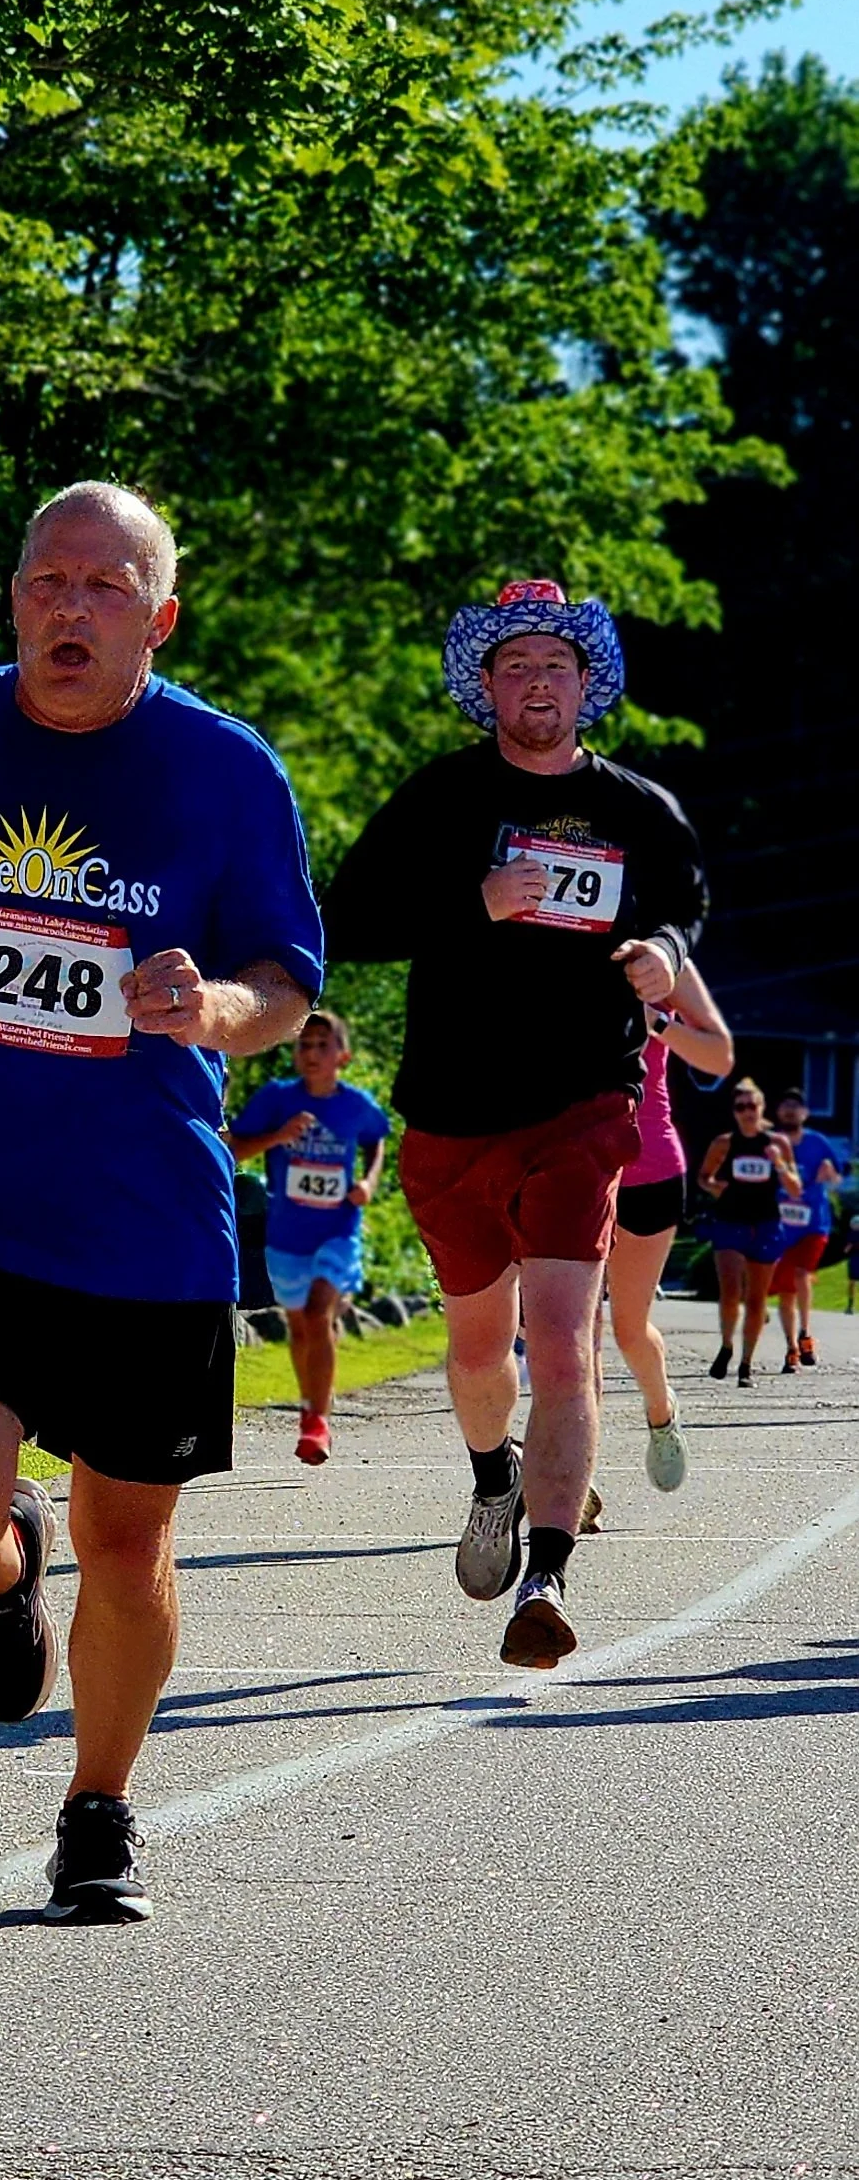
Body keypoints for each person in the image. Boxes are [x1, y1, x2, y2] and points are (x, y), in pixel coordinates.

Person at [0, 477, 322, 1922]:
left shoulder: (225, 768)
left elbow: (284, 985)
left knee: (131, 1543)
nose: (68, 609)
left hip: (146, 1222)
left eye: (104, 588)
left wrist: (212, 1008)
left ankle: (98, 1808)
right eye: (46, 581)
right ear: (15, 598)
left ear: (160, 617)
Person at [324, 577, 708, 1671]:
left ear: (588, 686)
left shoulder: (640, 809)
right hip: (453, 1111)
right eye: (516, 667)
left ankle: (544, 1576)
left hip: (585, 1103)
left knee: (564, 1339)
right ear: (484, 687)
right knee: (479, 1348)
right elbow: (344, 920)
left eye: (556, 666)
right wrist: (474, 904)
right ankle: (491, 1475)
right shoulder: (441, 796)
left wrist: (663, 952)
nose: (537, 683)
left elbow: (681, 904)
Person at [226, 1006, 387, 1465]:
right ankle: (312, 1402)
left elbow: (375, 1140)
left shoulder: (356, 1105)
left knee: (317, 1312)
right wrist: (278, 1136)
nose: (313, 1053)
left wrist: (368, 1182)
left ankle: (318, 1420)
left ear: (343, 1056)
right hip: (287, 1235)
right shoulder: (277, 1099)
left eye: (323, 1045)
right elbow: (235, 1148)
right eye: (305, 1045)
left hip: (337, 1232)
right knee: (300, 1325)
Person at [600, 955, 733, 1484]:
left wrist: (655, 1020)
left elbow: (719, 1057)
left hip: (648, 1167)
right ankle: (568, 1485)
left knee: (629, 1329)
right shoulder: (555, 935)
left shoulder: (660, 957)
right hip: (572, 1163)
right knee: (570, 1333)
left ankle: (662, 1413)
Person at [699, 1079, 799, 1387]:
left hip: (765, 1224)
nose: (747, 1112)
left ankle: (746, 1365)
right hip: (730, 1222)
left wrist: (778, 1163)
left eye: (751, 1106)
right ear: (734, 1111)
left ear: (761, 1108)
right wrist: (715, 1187)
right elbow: (704, 1176)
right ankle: (727, 1345)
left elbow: (795, 1189)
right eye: (740, 1107)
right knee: (730, 1293)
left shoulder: (777, 1143)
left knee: (756, 1300)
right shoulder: (724, 1143)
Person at [772, 1084, 847, 1369]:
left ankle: (805, 1333)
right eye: (786, 1106)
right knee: (786, 1289)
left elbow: (838, 1178)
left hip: (813, 1224)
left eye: (796, 1106)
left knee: (802, 1274)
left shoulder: (818, 1142)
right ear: (778, 1112)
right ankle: (791, 1347)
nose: (791, 1111)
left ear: (805, 1113)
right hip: (780, 1227)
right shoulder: (771, 1143)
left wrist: (830, 1174)